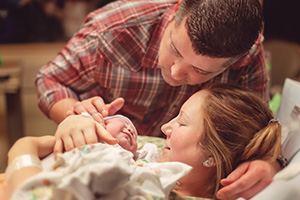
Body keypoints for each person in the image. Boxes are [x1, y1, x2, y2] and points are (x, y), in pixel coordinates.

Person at [35, 0, 273, 198]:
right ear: (178, 9)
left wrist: (270, 162)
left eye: (201, 71)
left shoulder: (248, 57)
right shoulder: (113, 30)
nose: (176, 73)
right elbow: (50, 80)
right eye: (175, 51)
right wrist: (79, 119)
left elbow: (256, 129)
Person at [4, 83, 282, 199]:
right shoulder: (156, 158)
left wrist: (25, 147)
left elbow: (28, 196)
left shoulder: (146, 188)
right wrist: (76, 124)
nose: (165, 127)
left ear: (214, 157)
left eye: (182, 122)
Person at [55, 113, 138, 155]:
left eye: (135, 138)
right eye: (125, 123)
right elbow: (83, 118)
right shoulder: (88, 124)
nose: (131, 131)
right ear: (103, 123)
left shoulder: (128, 159)